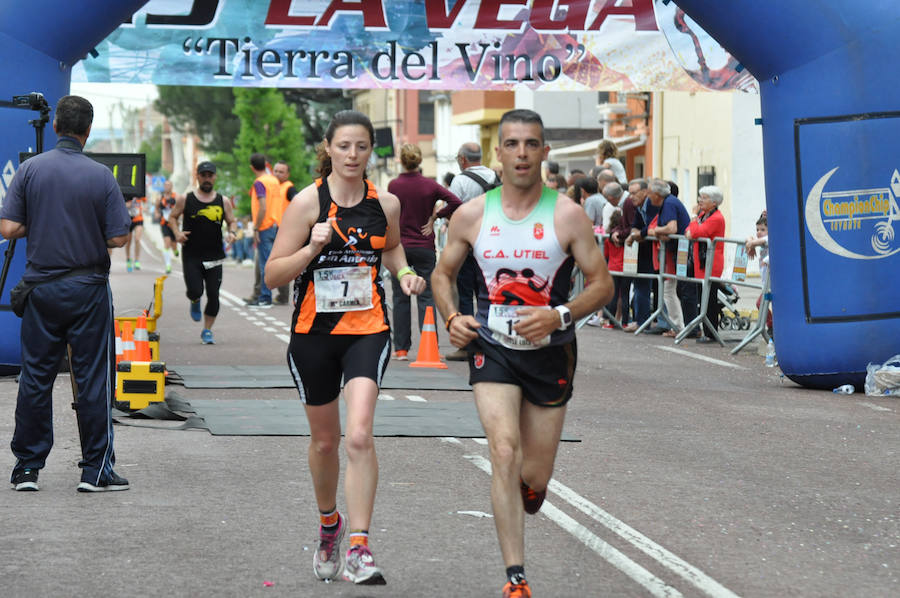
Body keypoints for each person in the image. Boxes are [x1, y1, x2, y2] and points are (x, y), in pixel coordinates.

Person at [431, 109, 613, 598]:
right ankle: (516, 577)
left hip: (551, 351)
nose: (521, 154)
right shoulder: (472, 214)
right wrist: (451, 318)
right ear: (499, 153)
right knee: (504, 451)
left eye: (531, 144)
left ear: (544, 153)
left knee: (532, 475)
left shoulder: (567, 215)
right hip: (493, 347)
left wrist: (560, 315)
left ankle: (533, 487)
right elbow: (442, 275)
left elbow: (602, 285)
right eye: (511, 144)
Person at [264, 110, 426, 586]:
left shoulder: (387, 204)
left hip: (367, 329)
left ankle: (359, 546)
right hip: (313, 335)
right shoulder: (305, 203)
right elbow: (273, 275)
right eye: (344, 146)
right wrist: (311, 249)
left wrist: (403, 273)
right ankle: (329, 524)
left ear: (370, 150)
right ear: (328, 149)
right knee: (325, 441)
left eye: (361, 147)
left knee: (358, 436)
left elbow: (390, 247)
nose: (352, 155)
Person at [0, 95, 132, 492]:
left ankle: (27, 467)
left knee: (35, 376)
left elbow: (8, 228)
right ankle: (95, 470)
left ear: (55, 126)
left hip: (41, 289)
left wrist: (38, 223)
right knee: (93, 378)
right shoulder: (102, 176)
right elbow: (119, 237)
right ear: (87, 131)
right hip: (88, 290)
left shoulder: (29, 171)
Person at [387, 143, 462, 360]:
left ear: (401, 160)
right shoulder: (430, 185)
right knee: (426, 296)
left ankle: (401, 349)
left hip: (399, 246)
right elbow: (455, 202)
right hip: (424, 246)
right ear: (420, 161)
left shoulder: (394, 186)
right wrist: (436, 217)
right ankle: (429, 346)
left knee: (400, 297)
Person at [168, 161, 236, 345]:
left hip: (214, 255)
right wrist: (177, 233)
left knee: (214, 294)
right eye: (203, 175)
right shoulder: (185, 199)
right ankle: (194, 299)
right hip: (192, 254)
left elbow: (232, 221)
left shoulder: (223, 201)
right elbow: (172, 217)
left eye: (210, 175)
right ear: (197, 176)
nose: (207, 179)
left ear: (215, 177)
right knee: (195, 289)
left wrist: (232, 233)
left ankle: (207, 330)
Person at [447, 141, 500, 361]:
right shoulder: (494, 176)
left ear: (462, 159)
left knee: (465, 293)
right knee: (488, 292)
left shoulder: (460, 180)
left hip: (467, 244)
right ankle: (491, 339)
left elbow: (453, 209)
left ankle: (468, 344)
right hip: (492, 243)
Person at [645, 178, 692, 337]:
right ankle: (678, 325)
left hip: (681, 251)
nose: (648, 196)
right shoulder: (667, 203)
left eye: (650, 193)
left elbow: (672, 228)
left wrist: (658, 231)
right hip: (677, 250)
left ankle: (678, 326)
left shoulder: (669, 203)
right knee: (671, 289)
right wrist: (662, 233)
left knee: (670, 290)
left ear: (657, 194)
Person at [685, 185, 726, 342]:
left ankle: (711, 333)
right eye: (700, 197)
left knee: (709, 299)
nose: (700, 200)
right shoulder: (704, 215)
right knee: (703, 298)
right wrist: (694, 225)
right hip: (701, 262)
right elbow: (688, 231)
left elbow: (695, 232)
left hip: (711, 263)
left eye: (704, 198)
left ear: (714, 202)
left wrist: (694, 219)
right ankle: (707, 330)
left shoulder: (716, 218)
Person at [245, 153, 282, 307]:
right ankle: (270, 295)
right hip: (277, 225)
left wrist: (255, 228)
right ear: (266, 165)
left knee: (265, 264)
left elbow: (263, 207)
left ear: (252, 167)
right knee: (274, 262)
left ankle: (265, 298)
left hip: (265, 226)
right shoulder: (274, 180)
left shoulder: (259, 182)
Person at [746, 211, 772, 335]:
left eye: (762, 229)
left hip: (773, 282)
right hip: (766, 282)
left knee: (761, 302)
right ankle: (772, 326)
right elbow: (750, 238)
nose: (759, 232)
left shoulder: (770, 239)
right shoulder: (762, 240)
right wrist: (750, 242)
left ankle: (772, 326)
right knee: (762, 303)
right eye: (757, 229)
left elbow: (757, 241)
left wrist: (751, 244)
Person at [157, 180, 180, 273]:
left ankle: (175, 250)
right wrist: (156, 214)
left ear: (172, 186)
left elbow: (180, 208)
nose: (167, 187)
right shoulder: (160, 198)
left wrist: (179, 218)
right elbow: (156, 208)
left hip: (174, 223)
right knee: (167, 243)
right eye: (165, 185)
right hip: (164, 223)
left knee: (173, 244)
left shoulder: (176, 197)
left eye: (169, 185)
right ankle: (168, 265)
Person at [124, 194, 145, 271]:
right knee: (128, 242)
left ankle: (137, 260)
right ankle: (128, 259)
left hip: (138, 219)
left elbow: (145, 199)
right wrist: (126, 205)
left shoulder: (139, 193)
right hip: (128, 220)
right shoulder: (126, 194)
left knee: (137, 239)